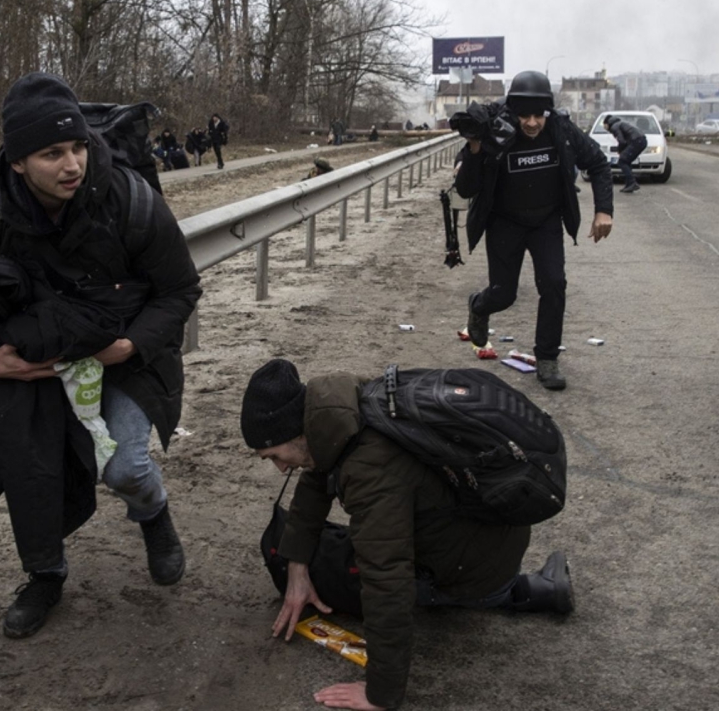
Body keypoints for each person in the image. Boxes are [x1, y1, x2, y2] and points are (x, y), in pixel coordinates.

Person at [0, 72, 202, 640]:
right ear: (19, 161)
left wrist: (127, 346)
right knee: (32, 475)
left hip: (121, 352)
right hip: (31, 361)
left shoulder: (130, 199)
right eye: (52, 153)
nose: (72, 163)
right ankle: (45, 578)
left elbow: (180, 290)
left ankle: (153, 514)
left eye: (78, 146)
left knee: (125, 466)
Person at [243, 358, 573, 711]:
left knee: (333, 567)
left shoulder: (370, 469)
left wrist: (381, 693)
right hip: (490, 539)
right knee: (309, 550)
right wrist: (296, 567)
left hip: (467, 568)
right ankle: (524, 588)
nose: (280, 468)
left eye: (274, 455)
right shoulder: (347, 403)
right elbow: (316, 473)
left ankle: (491, 593)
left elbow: (386, 580)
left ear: (296, 432)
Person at [453, 70, 614, 391]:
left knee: (554, 284)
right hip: (504, 222)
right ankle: (479, 306)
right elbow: (467, 188)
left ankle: (547, 358)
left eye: (537, 115)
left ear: (547, 112)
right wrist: (474, 147)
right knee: (504, 293)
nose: (531, 123)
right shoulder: (494, 131)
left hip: (546, 222)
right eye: (523, 115)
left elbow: (597, 163)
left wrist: (603, 210)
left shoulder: (561, 129)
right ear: (513, 111)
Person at [602, 115, 646, 193]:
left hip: (636, 141)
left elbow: (621, 141)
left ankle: (632, 183)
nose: (605, 128)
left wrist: (620, 150)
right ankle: (629, 184)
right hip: (641, 140)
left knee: (622, 161)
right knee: (626, 161)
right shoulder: (619, 124)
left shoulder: (614, 127)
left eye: (605, 125)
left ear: (608, 123)